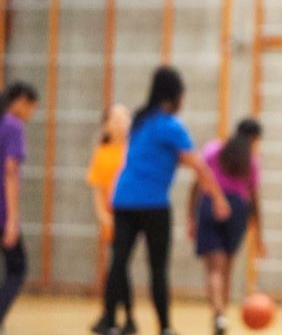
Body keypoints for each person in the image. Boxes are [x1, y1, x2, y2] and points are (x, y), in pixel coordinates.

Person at [93, 66, 231, 335]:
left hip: (123, 200)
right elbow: (199, 166)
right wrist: (218, 198)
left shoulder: (141, 122)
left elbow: (140, 160)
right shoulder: (170, 126)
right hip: (153, 204)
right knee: (157, 268)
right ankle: (165, 327)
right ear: (175, 97)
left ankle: (109, 320)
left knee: (119, 261)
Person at [188, 118, 265, 335]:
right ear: (253, 138)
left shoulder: (214, 149)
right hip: (238, 209)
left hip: (210, 204)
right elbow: (255, 199)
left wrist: (191, 217)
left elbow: (197, 184)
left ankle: (218, 314)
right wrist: (259, 234)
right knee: (227, 268)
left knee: (214, 268)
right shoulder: (251, 160)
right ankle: (223, 317)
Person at [85, 104, 137, 334]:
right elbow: (97, 187)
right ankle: (120, 318)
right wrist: (102, 216)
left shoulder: (134, 149)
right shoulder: (102, 151)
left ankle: (116, 316)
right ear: (106, 124)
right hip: (111, 217)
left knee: (118, 266)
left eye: (124, 118)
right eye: (115, 118)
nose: (120, 123)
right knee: (119, 266)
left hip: (129, 215)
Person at [0, 82, 38, 335]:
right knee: (18, 267)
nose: (31, 114)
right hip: (2, 210)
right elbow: (11, 171)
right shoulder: (14, 126)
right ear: (21, 101)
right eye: (31, 107)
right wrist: (13, 219)